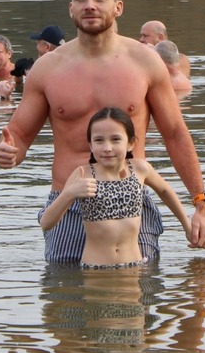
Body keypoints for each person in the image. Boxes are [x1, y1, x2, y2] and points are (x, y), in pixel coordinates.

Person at [0, 0, 205, 263]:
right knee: (66, 301)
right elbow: (18, 136)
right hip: (69, 202)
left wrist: (200, 204)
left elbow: (175, 132)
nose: (90, 5)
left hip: (131, 199)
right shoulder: (48, 68)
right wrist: (10, 153)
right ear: (71, 7)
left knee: (139, 299)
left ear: (118, 6)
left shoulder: (145, 62)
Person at [40, 107, 192, 269]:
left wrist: (187, 226)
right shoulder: (82, 174)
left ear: (131, 143)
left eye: (115, 140)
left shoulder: (140, 169)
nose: (107, 148)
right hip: (95, 268)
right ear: (90, 145)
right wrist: (69, 193)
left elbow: (165, 191)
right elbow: (46, 223)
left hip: (133, 266)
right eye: (99, 140)